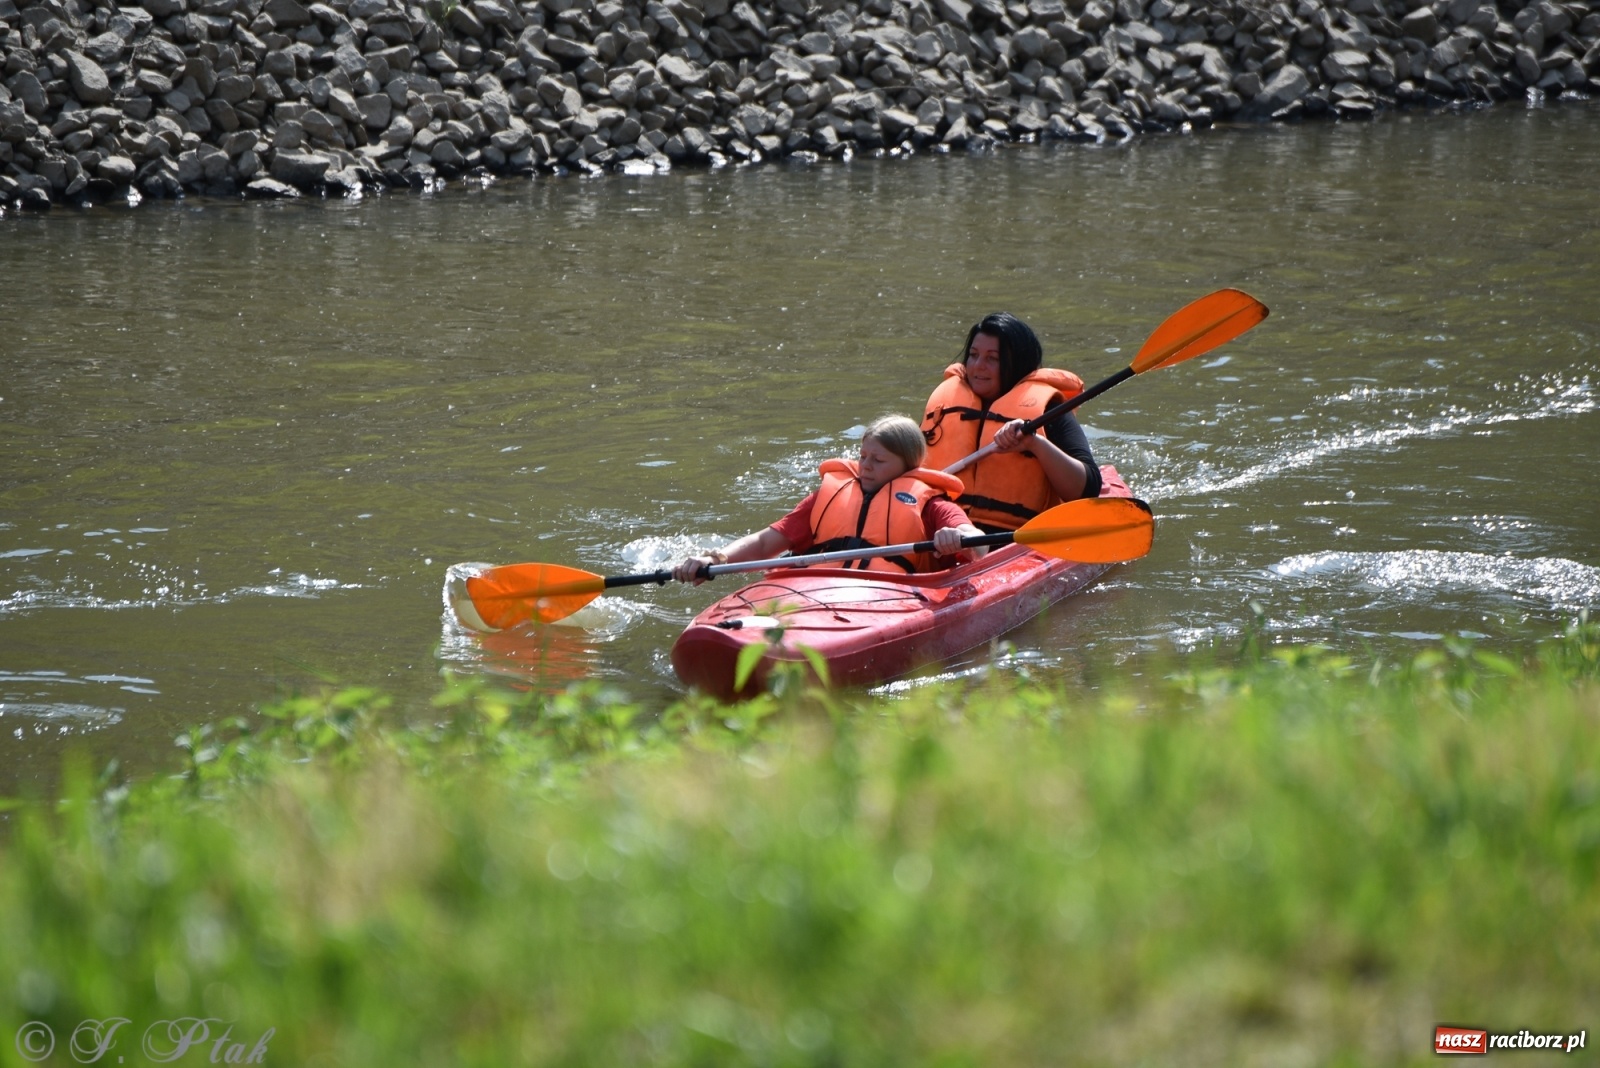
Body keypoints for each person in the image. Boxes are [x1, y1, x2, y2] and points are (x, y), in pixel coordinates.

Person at [673, 415, 986, 584]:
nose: (865, 465)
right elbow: (767, 542)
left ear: (908, 466)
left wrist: (957, 536)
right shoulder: (826, 498)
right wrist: (715, 559)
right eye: (863, 456)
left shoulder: (931, 505)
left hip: (889, 598)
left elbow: (978, 544)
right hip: (811, 589)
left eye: (878, 460)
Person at [921, 311, 1103, 533]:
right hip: (943, 530)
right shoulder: (944, 407)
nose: (978, 366)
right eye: (974, 355)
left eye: (992, 358)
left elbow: (1087, 490)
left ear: (1017, 364)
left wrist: (1034, 443)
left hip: (1013, 538)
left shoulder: (1048, 410)